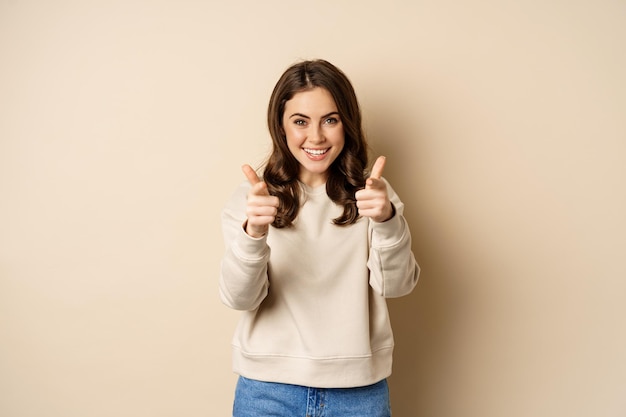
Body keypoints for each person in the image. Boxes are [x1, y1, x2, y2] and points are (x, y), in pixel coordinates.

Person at [219, 59, 420, 417]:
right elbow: (239, 297)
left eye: (330, 119)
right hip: (267, 391)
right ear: (281, 127)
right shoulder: (252, 198)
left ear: (347, 124)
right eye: (300, 121)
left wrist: (387, 220)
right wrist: (254, 234)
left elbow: (397, 286)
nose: (316, 137)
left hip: (359, 393)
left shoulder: (374, 193)